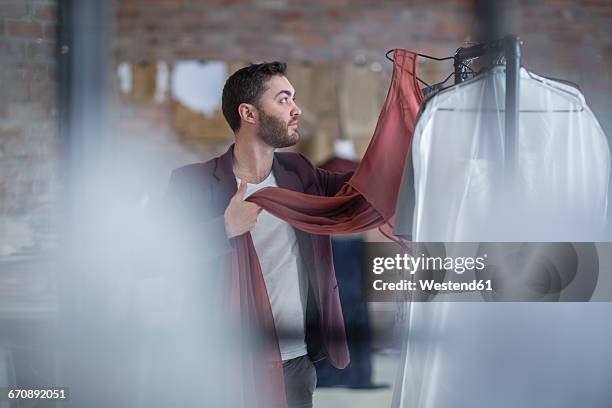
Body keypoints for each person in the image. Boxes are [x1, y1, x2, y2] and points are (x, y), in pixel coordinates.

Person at [165, 62, 352, 408]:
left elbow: (361, 188)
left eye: (293, 98)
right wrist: (224, 227)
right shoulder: (192, 183)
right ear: (248, 113)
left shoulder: (300, 172)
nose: (296, 109)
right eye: (283, 99)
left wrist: (408, 130)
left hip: (294, 361)